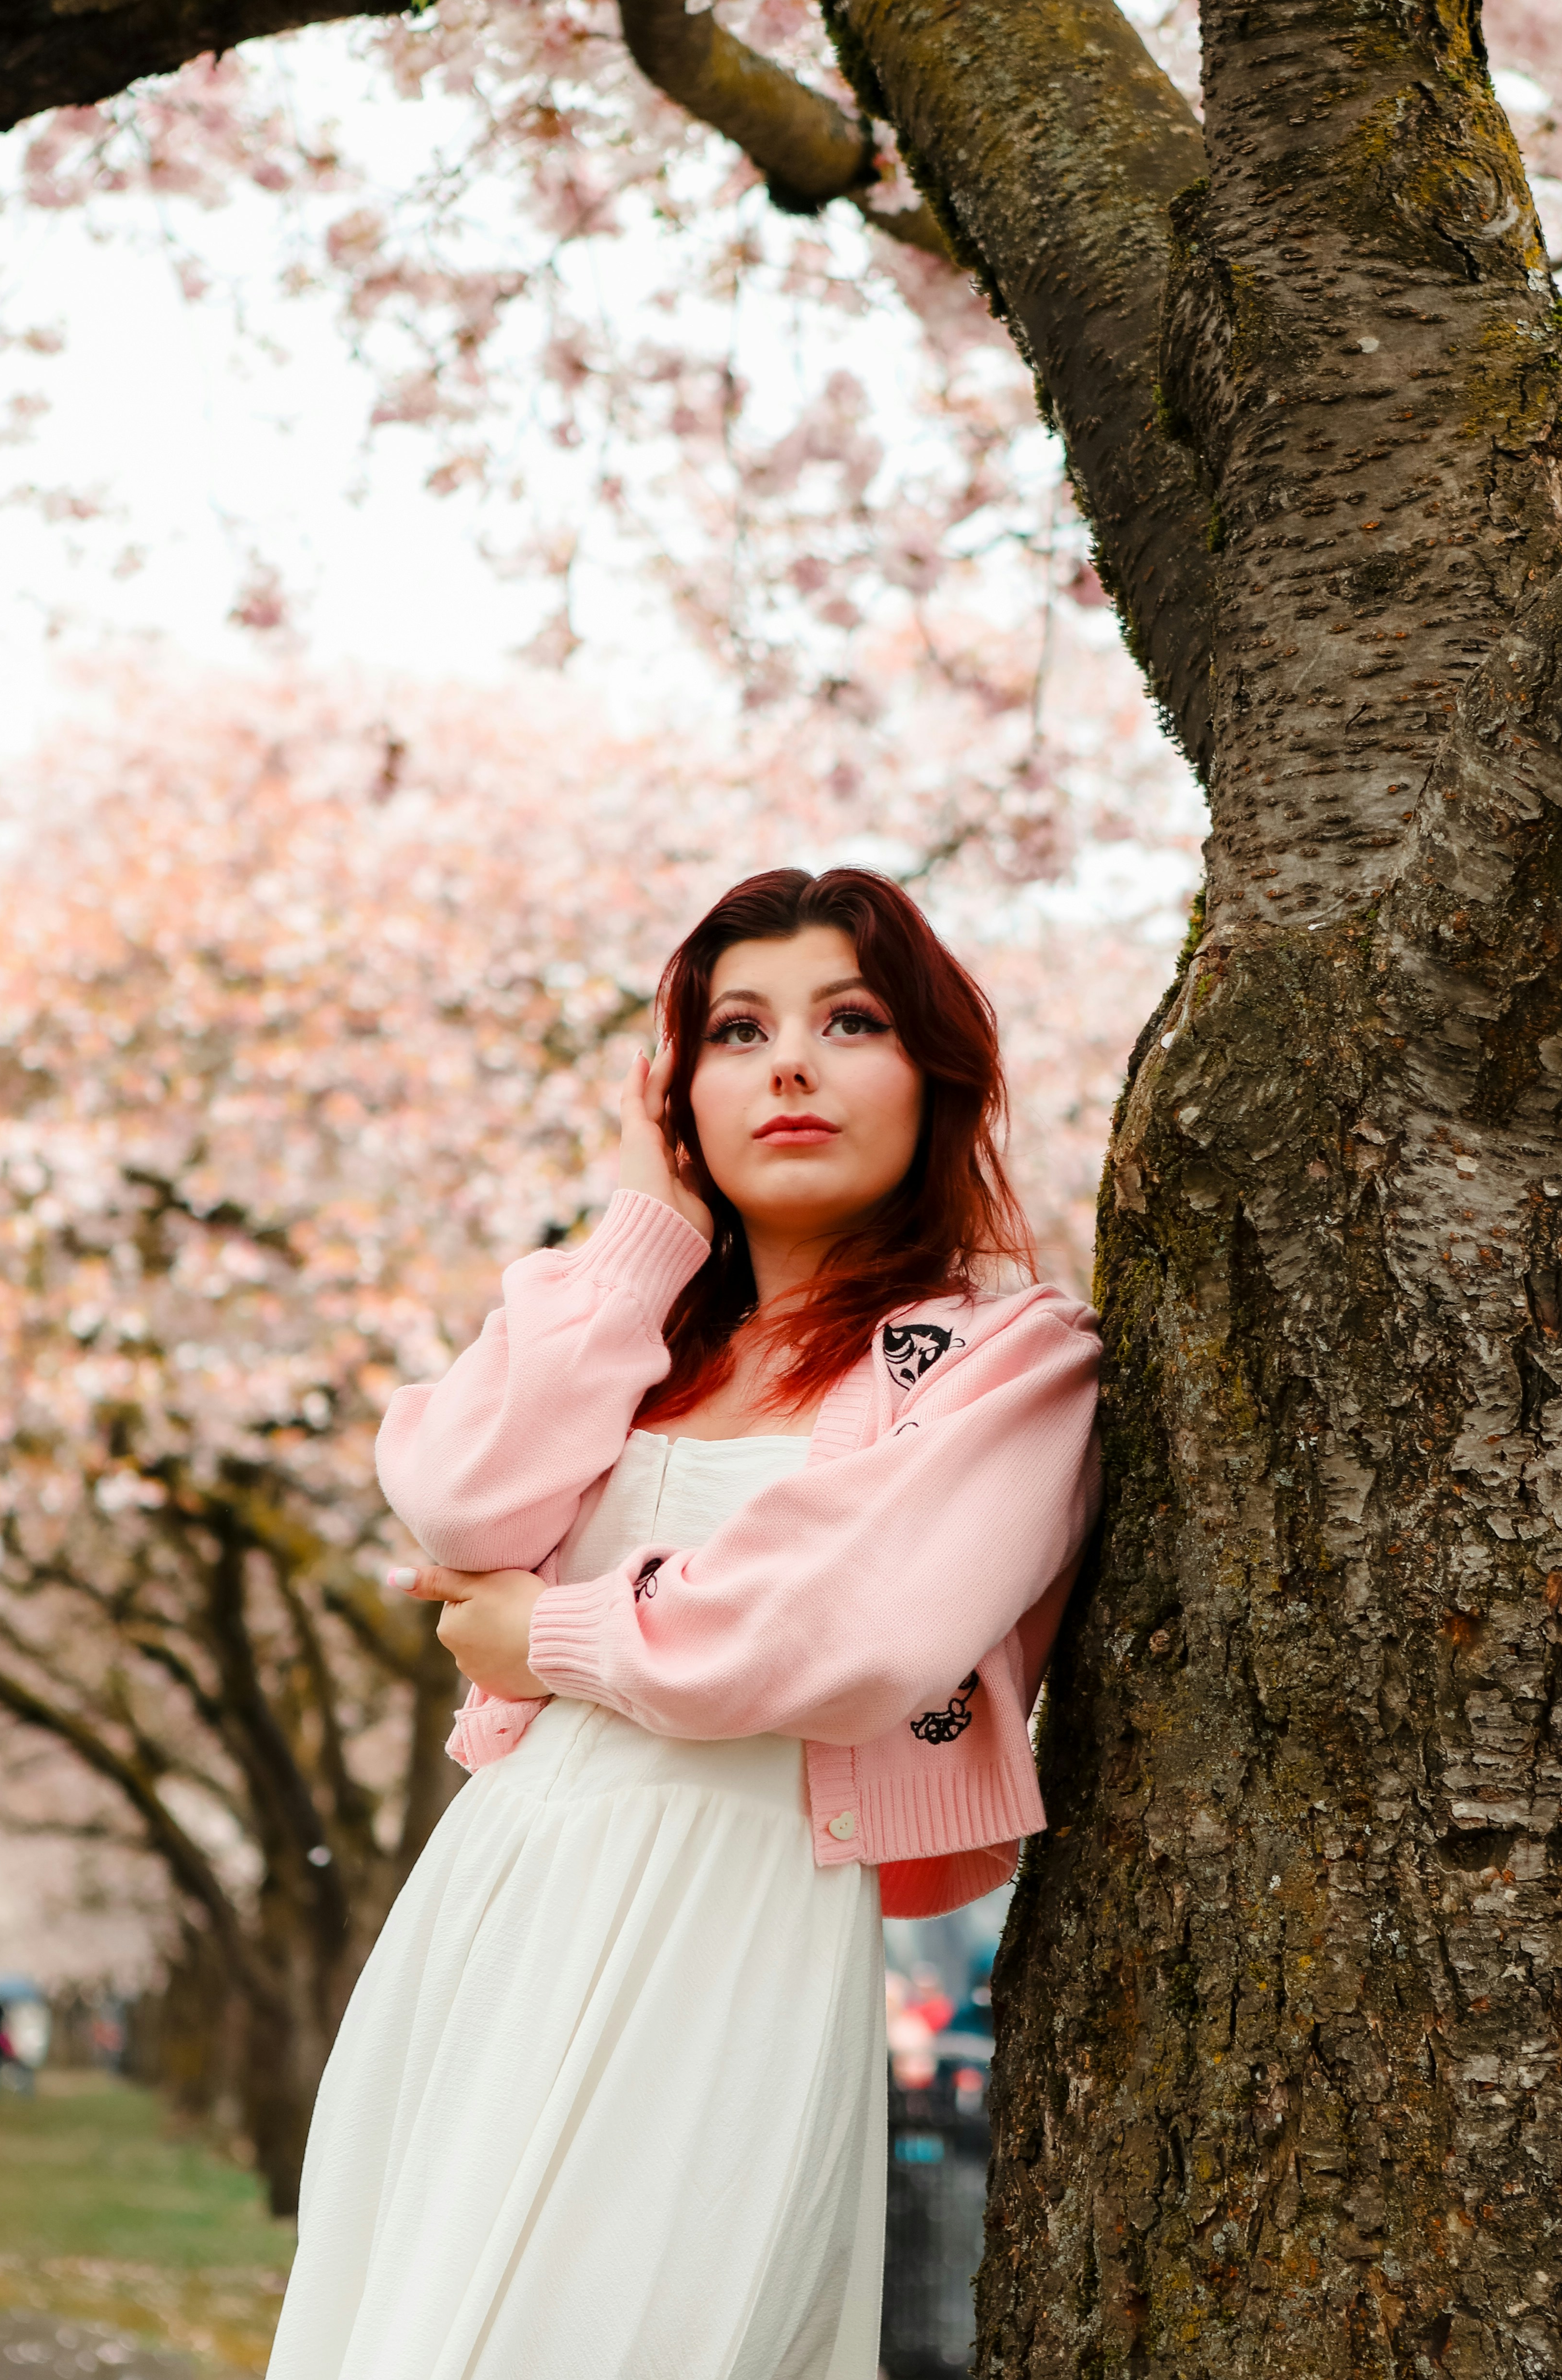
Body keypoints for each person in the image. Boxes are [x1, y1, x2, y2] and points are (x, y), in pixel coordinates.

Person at [266, 866, 1102, 2380]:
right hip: (501, 1899)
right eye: (735, 1029)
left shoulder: (1004, 1354)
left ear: (934, 1073)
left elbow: (836, 1630)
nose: (788, 1061)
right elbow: (457, 1494)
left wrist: (552, 1639)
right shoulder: (628, 1338)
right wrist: (647, 1227)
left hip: (735, 1914)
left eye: (849, 1020)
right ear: (682, 1089)